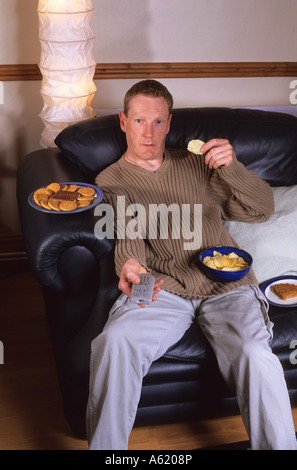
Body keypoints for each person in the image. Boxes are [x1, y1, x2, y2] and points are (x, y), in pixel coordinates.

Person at [87, 79, 297, 450]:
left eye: (157, 122)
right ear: (123, 122)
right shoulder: (111, 181)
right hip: (162, 285)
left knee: (256, 354)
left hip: (228, 284)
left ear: (169, 123)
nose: (148, 133)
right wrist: (131, 266)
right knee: (114, 341)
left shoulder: (197, 165)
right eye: (139, 121)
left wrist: (232, 168)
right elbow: (127, 235)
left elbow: (263, 208)